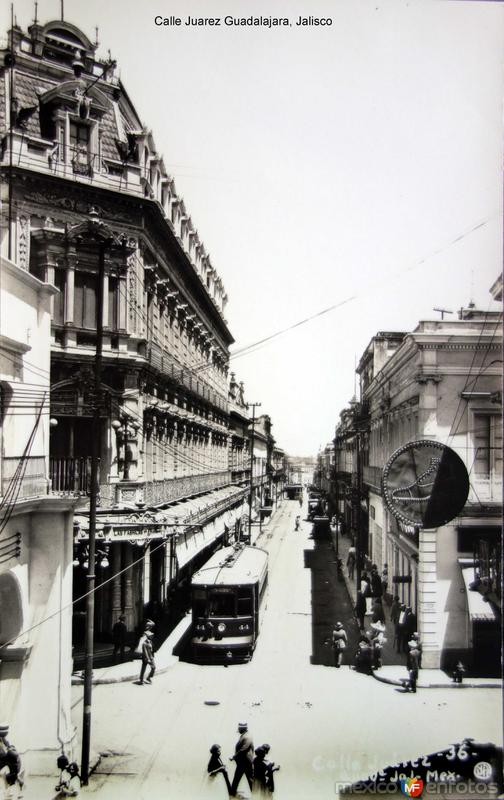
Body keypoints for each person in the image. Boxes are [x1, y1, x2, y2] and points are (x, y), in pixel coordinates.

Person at [229, 722, 254, 796]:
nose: (238, 730)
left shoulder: (247, 736)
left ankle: (232, 793)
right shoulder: (244, 735)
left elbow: (243, 749)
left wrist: (234, 757)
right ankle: (232, 792)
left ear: (243, 728)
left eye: (239, 728)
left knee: (249, 778)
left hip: (245, 762)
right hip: (243, 761)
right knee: (240, 777)